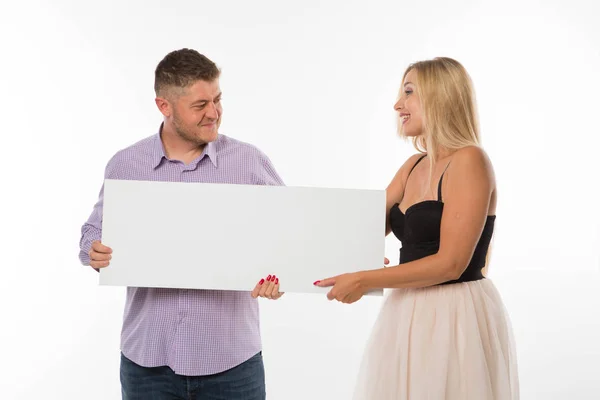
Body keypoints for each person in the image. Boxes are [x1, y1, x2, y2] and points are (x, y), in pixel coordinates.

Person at [78, 48, 283, 400]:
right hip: (147, 363)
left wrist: (278, 277)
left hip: (232, 363)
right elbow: (93, 231)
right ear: (164, 106)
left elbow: (289, 235)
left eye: (218, 100)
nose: (215, 113)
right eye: (200, 105)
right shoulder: (126, 165)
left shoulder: (250, 162)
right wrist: (93, 251)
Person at [315, 57, 519, 399]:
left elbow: (450, 263)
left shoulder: (470, 160)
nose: (398, 105)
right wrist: (278, 259)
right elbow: (354, 230)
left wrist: (364, 280)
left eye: (409, 92)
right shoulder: (412, 166)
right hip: (407, 309)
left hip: (455, 315)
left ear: (440, 96)